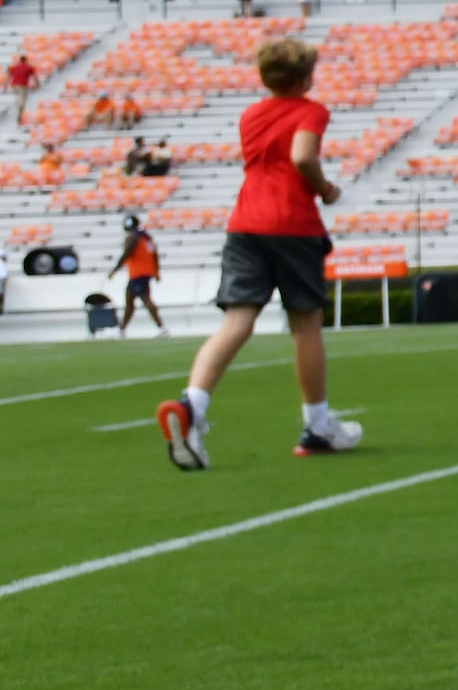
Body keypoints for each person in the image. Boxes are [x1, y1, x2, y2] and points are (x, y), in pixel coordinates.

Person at [154, 38, 360, 470]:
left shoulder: (251, 114)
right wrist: (325, 189)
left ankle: (193, 404)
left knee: (237, 321)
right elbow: (302, 155)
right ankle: (317, 426)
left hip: (245, 222)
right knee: (305, 325)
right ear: (306, 78)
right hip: (292, 223)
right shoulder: (311, 110)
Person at [108, 213, 166, 334]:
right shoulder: (146, 238)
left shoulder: (133, 237)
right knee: (130, 301)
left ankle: (161, 327)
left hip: (137, 273)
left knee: (145, 300)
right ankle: (122, 329)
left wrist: (114, 270)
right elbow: (155, 255)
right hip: (145, 273)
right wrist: (156, 272)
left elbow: (126, 254)